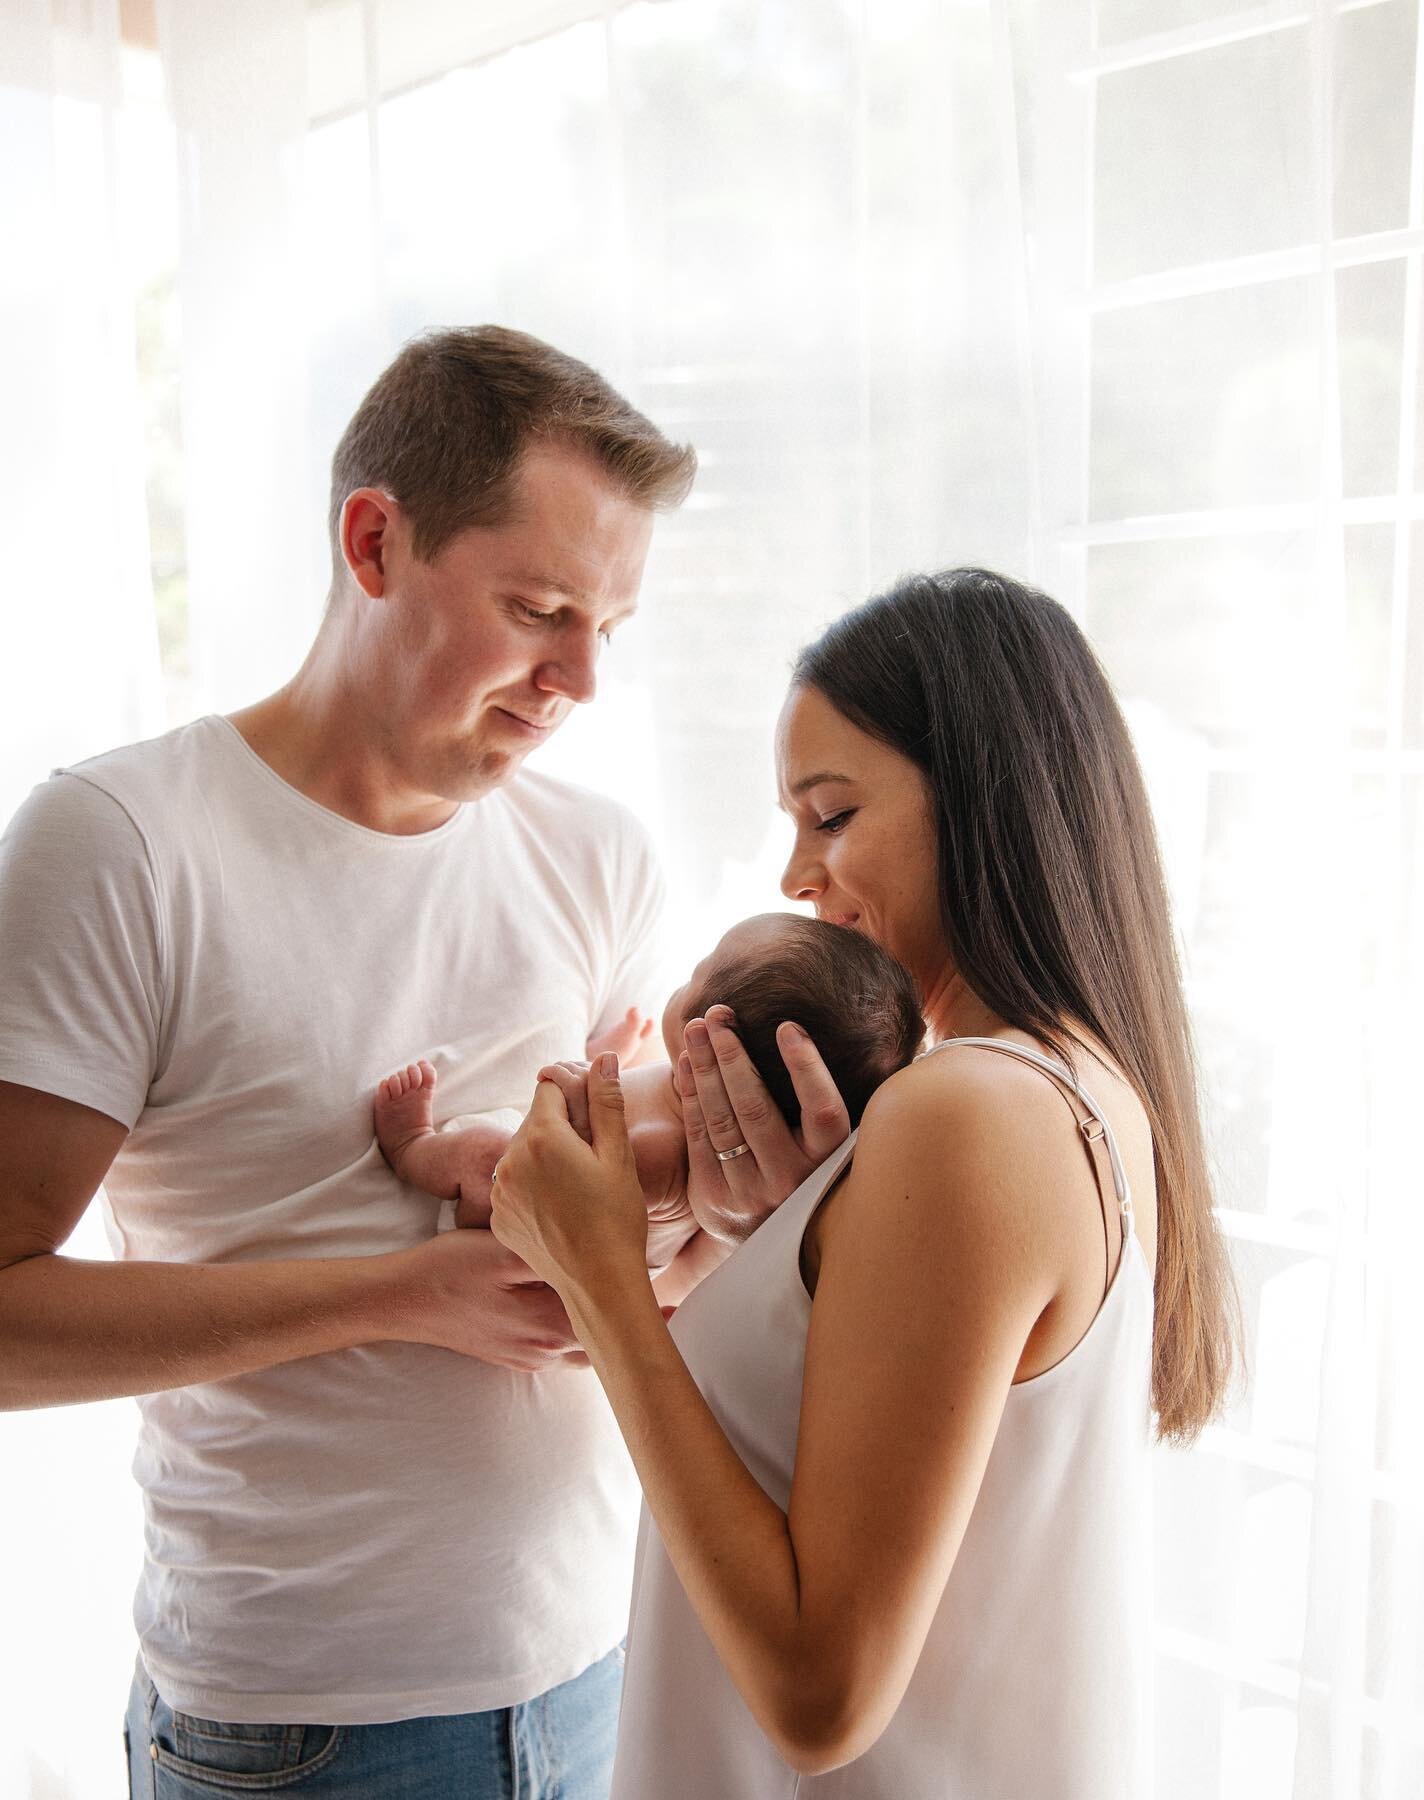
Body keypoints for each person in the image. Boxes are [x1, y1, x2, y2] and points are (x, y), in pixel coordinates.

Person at [0, 325, 819, 1800]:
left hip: (599, 1674)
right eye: (539, 608)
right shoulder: (123, 847)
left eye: (607, 629)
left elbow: (639, 1265)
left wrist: (725, 1240)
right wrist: (396, 1297)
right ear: (375, 542)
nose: (580, 677)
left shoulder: (598, 858)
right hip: (298, 1733)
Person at [489, 567, 1241, 1797]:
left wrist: (601, 1283)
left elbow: (820, 1693)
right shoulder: (1077, 1088)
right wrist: (769, 1242)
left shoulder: (968, 1113)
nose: (796, 874)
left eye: (830, 817)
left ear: (986, 807)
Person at [373, 911, 926, 1262]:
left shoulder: (658, 1153)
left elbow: (570, 1194)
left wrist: (573, 1101)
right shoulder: (683, 1098)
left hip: (501, 1231)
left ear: (708, 1042)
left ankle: (412, 1146)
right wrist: (606, 1062)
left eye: (699, 971)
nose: (684, 977)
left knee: (481, 1152)